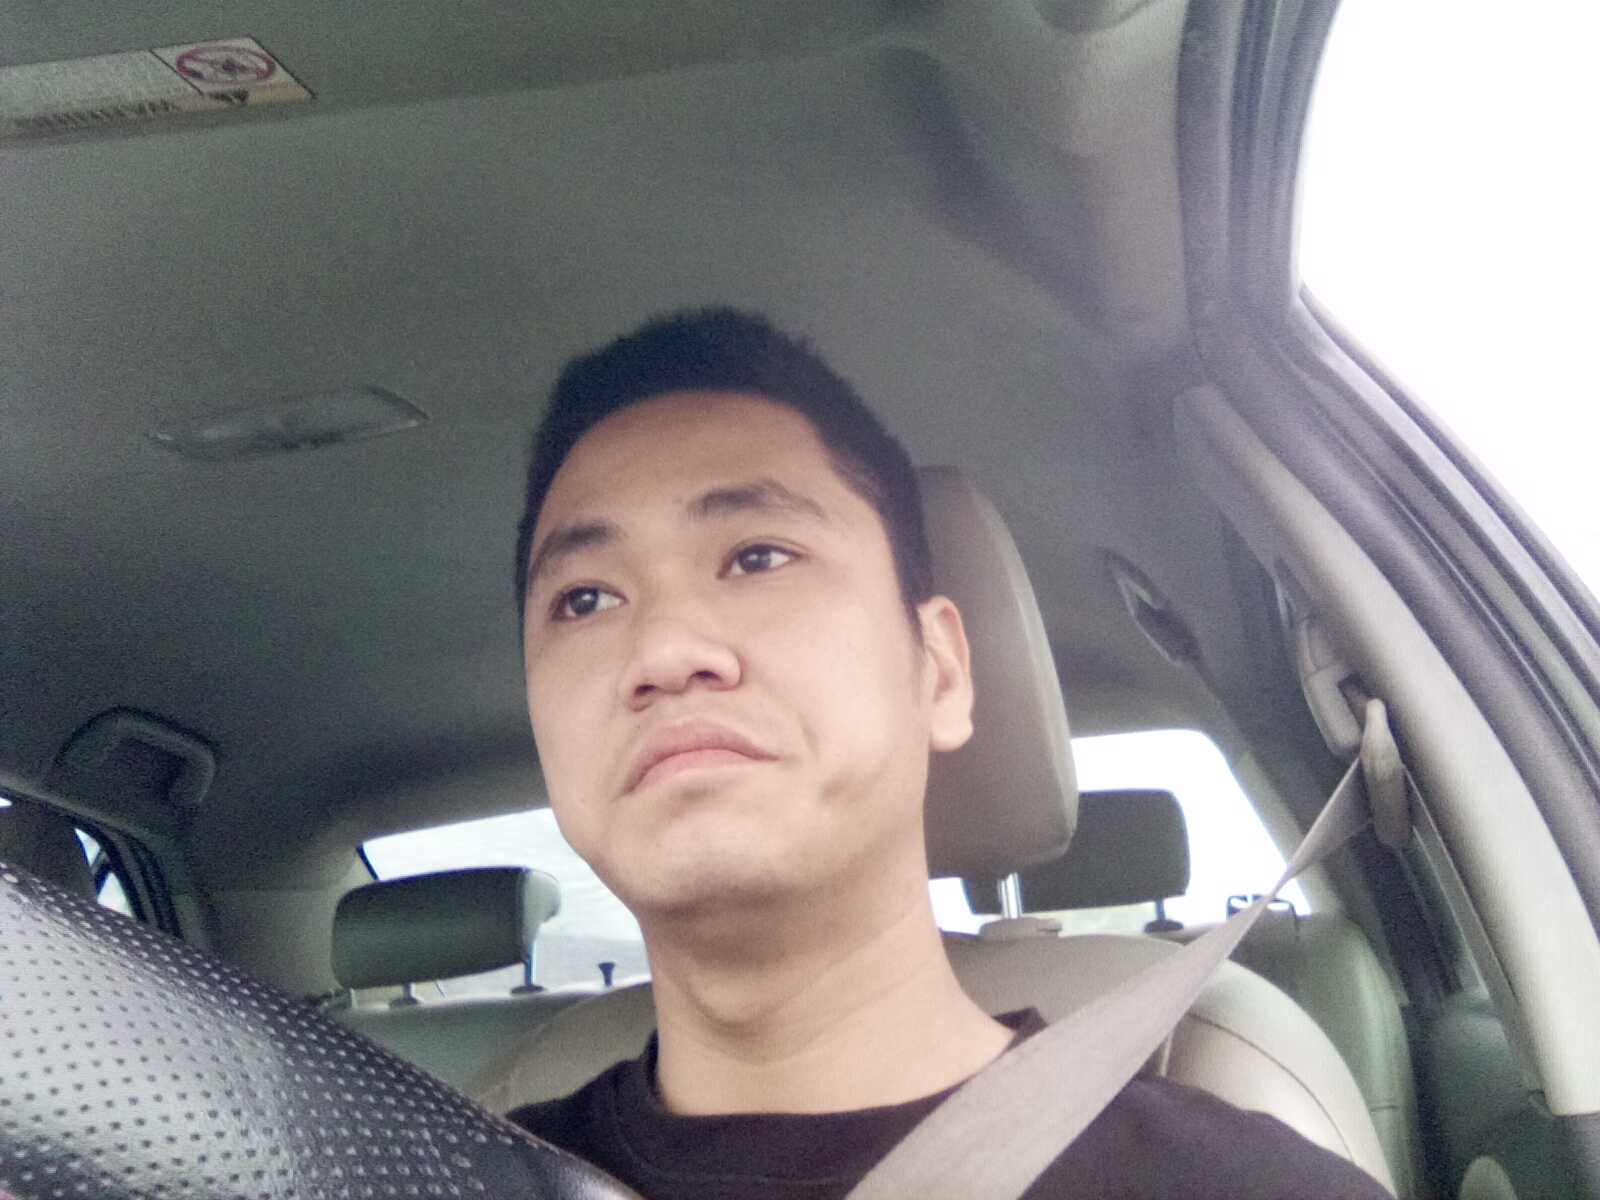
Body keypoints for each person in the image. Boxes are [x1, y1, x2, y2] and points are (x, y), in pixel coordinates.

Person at [506, 308, 1391, 1199]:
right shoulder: (453, 1169)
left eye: (758, 556)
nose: (663, 652)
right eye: (584, 601)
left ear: (940, 671)